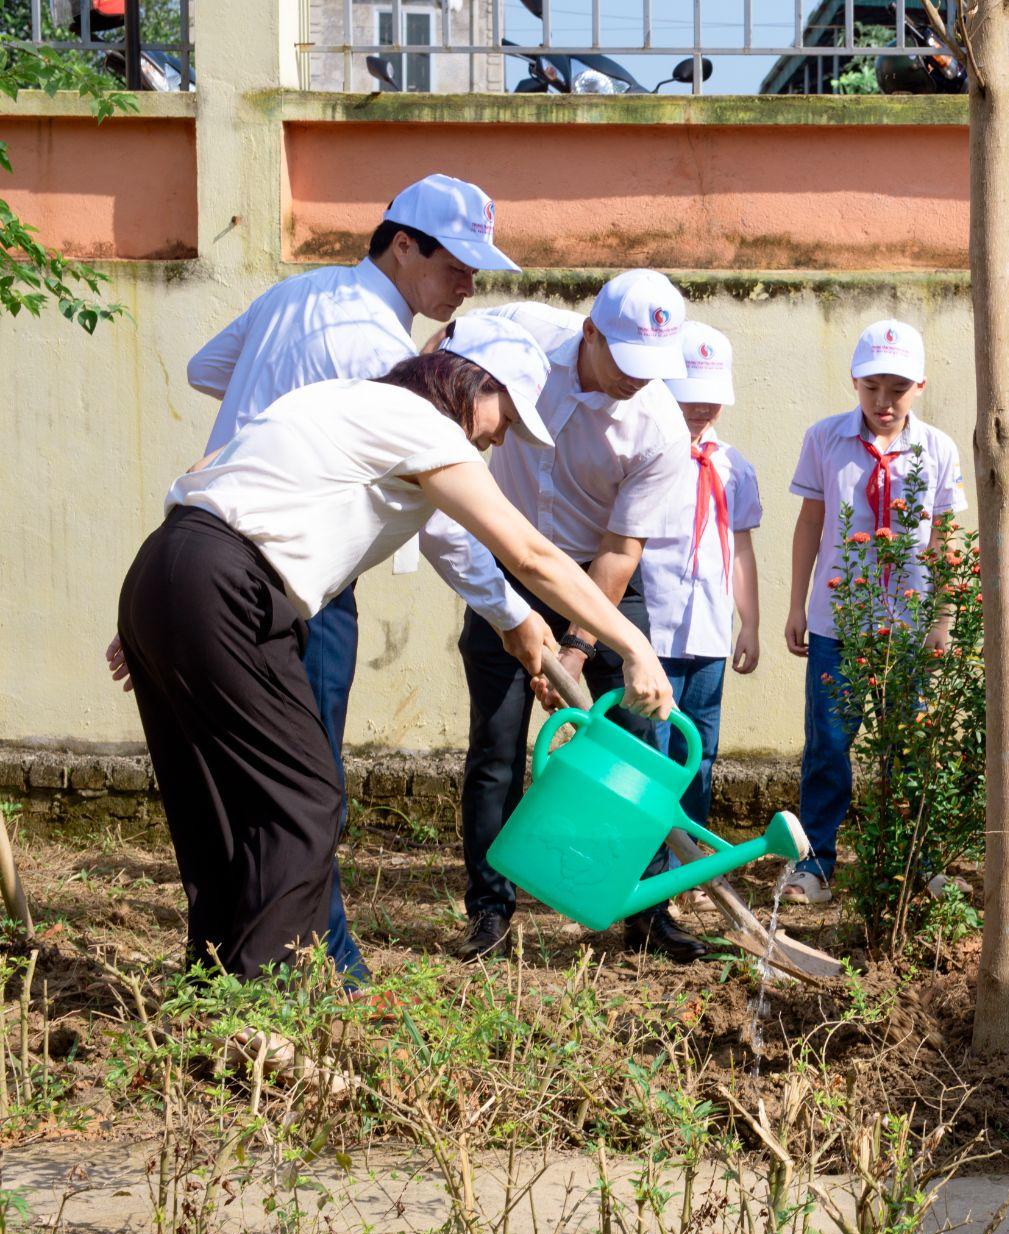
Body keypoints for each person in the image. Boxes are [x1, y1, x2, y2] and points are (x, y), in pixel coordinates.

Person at [113, 316, 670, 983]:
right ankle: (260, 1002)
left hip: (168, 568)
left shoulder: (338, 402)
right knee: (306, 798)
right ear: (471, 383)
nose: (498, 437)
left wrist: (166, 604)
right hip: (231, 585)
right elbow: (526, 552)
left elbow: (207, 473)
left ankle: (211, 983)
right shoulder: (424, 426)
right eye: (505, 415)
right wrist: (632, 641)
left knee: (215, 797)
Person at [120, 173, 536, 983]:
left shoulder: (297, 292)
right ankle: (317, 965)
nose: (467, 285)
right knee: (304, 787)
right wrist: (513, 618)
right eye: (456, 263)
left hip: (203, 539)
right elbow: (453, 523)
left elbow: (209, 367)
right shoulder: (384, 358)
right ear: (402, 244)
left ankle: (250, 966)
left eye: (477, 271)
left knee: (244, 785)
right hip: (291, 577)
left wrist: (275, 404)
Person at [419, 271, 704, 964]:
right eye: (628, 361)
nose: (640, 380)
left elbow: (619, 549)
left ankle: (646, 909)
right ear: (590, 334)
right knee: (496, 744)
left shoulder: (660, 426)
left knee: (636, 742)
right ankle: (489, 910)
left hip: (595, 581)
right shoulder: (520, 332)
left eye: (653, 366)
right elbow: (436, 357)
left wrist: (574, 652)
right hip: (501, 569)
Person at [782, 320, 967, 904]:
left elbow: (943, 540)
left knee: (910, 745)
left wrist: (942, 619)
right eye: (872, 388)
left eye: (897, 389)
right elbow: (811, 523)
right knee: (829, 746)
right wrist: (796, 604)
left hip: (909, 628)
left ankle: (917, 862)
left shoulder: (937, 448)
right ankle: (815, 864)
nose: (883, 403)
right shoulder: (824, 438)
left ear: (920, 387)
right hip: (838, 624)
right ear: (854, 383)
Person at [641, 321, 762, 843]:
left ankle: (692, 860)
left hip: (708, 633)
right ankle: (647, 857)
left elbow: (739, 548)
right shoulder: (643, 456)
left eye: (711, 399)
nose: (701, 410)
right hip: (651, 632)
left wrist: (750, 623)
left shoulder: (735, 466)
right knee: (652, 746)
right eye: (690, 397)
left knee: (702, 748)